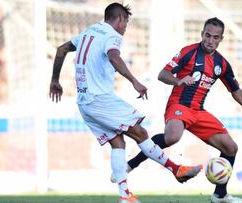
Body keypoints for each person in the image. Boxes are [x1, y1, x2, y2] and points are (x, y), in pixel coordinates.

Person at [48, 3, 202, 203]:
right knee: (140, 133)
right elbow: (114, 56)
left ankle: (125, 195)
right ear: (119, 18)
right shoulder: (112, 35)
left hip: (85, 102)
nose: (125, 28)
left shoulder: (88, 32)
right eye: (126, 23)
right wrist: (134, 81)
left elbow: (61, 50)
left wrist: (54, 80)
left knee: (118, 142)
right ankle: (176, 169)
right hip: (100, 99)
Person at [120, 17, 242, 203]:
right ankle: (131, 164)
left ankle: (220, 195)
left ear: (221, 39)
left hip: (198, 111)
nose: (210, 40)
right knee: (172, 137)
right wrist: (178, 80)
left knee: (231, 148)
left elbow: (236, 92)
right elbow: (162, 75)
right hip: (179, 105)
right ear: (202, 34)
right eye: (207, 35)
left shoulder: (222, 64)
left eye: (215, 37)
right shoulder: (188, 53)